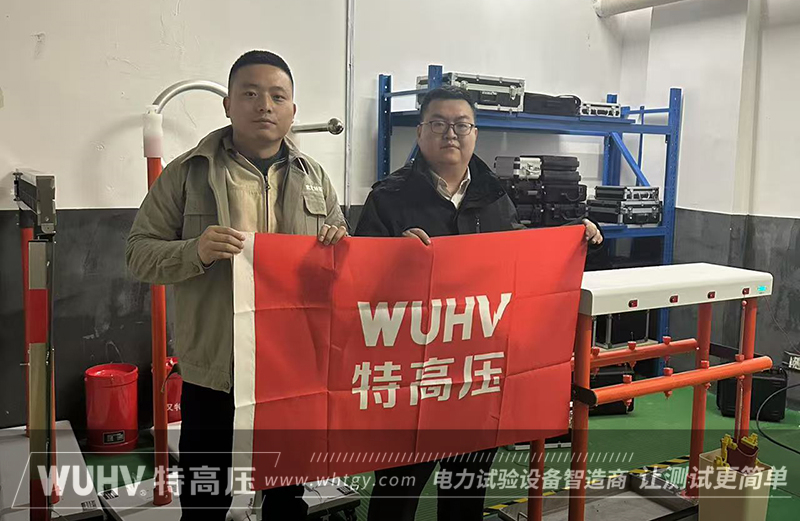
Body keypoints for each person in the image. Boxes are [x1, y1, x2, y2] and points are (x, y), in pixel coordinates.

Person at [355, 86, 602, 521]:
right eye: (438, 123)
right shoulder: (388, 198)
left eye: (461, 124)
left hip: (474, 373)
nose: (450, 133)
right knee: (397, 490)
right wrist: (392, 255)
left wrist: (575, 239)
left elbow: (521, 264)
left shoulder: (495, 197)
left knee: (465, 490)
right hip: (412, 374)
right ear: (419, 132)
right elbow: (359, 284)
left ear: (475, 134)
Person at [126, 50, 348, 520]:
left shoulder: (315, 179)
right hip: (216, 368)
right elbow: (138, 254)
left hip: (290, 366)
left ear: (292, 110)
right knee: (206, 496)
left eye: (277, 96)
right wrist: (196, 250)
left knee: (286, 494)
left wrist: (338, 244)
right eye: (250, 93)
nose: (264, 105)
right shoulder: (187, 173)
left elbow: (342, 253)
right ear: (228, 104)